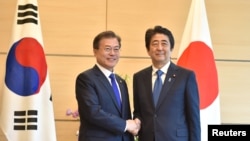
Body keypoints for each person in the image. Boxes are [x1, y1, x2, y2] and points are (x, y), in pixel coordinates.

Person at [132, 25, 201, 141]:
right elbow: (138, 111)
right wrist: (137, 120)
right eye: (154, 44)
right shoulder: (139, 78)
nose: (159, 48)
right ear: (148, 50)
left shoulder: (186, 76)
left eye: (164, 43)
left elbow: (193, 118)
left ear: (171, 48)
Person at [75, 30, 139, 141]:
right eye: (107, 49)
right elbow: (93, 113)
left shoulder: (121, 82)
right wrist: (126, 125)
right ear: (95, 51)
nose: (112, 53)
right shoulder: (86, 79)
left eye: (116, 49)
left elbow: (125, 115)